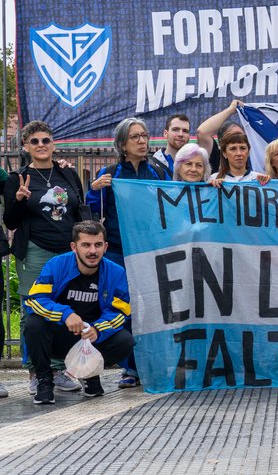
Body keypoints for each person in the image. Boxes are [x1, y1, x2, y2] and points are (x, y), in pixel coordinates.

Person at [4, 121, 87, 395]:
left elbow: (79, 209)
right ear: (26, 146)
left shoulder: (68, 174)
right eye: (35, 141)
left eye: (46, 140)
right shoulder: (18, 177)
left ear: (53, 144)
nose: (41, 145)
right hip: (35, 252)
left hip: (67, 251)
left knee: (64, 307)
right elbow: (10, 221)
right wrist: (18, 200)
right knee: (33, 311)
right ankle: (37, 372)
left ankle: (59, 368)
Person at [87, 117, 169, 388]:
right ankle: (130, 369)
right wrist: (95, 190)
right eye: (135, 137)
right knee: (124, 310)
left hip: (150, 252)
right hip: (118, 253)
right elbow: (92, 207)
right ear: (122, 144)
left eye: (144, 135)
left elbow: (172, 201)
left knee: (153, 309)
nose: (142, 141)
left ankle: (153, 364)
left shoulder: (157, 171)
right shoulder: (110, 173)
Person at [22, 221, 134, 404]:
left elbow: (121, 312)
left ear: (105, 247)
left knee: (125, 340)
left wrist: (98, 329)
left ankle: (89, 374)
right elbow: (35, 300)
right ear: (74, 247)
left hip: (91, 339)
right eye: (86, 245)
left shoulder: (116, 272)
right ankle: (44, 380)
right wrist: (65, 314)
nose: (92, 251)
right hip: (58, 337)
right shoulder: (56, 264)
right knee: (34, 324)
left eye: (98, 245)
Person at [196, 99, 249, 174]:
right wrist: (230, 110)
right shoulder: (215, 156)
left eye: (240, 135)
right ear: (221, 143)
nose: (237, 139)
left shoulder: (252, 159)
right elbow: (202, 132)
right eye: (232, 137)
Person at [152, 114, 190, 178]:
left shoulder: (196, 164)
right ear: (165, 134)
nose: (181, 134)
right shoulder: (152, 164)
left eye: (185, 131)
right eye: (175, 129)